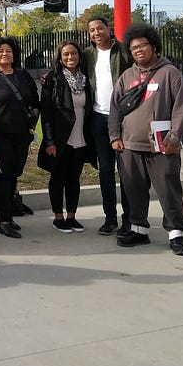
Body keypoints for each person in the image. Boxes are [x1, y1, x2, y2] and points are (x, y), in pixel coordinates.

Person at [109, 23, 183, 256]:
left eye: (142, 45)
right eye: (133, 48)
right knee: (134, 188)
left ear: (153, 46)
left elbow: (182, 107)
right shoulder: (127, 76)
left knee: (168, 188)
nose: (138, 50)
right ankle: (138, 229)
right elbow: (114, 108)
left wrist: (176, 136)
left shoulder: (170, 73)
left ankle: (176, 233)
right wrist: (115, 136)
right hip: (129, 145)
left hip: (163, 145)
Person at [0, 35, 39, 239]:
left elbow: (34, 102)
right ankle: (3, 220)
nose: (5, 54)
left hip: (22, 135)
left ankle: (9, 214)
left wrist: (32, 124)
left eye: (8, 51)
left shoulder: (23, 76)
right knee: (2, 176)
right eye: (0, 51)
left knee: (14, 174)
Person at [82, 16, 133, 235]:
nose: (96, 33)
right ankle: (110, 217)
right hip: (98, 118)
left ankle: (130, 219)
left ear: (108, 29)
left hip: (123, 119)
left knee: (127, 171)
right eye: (92, 30)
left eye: (99, 28)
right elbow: (69, 69)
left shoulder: (124, 51)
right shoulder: (87, 55)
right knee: (105, 170)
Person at [39, 40, 95, 234]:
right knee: (58, 177)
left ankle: (71, 216)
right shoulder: (53, 79)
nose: (70, 58)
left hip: (81, 137)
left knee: (74, 178)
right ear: (60, 57)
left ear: (80, 56)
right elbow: (45, 113)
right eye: (65, 55)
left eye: (73, 54)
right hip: (60, 139)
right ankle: (58, 217)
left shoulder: (86, 79)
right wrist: (49, 141)